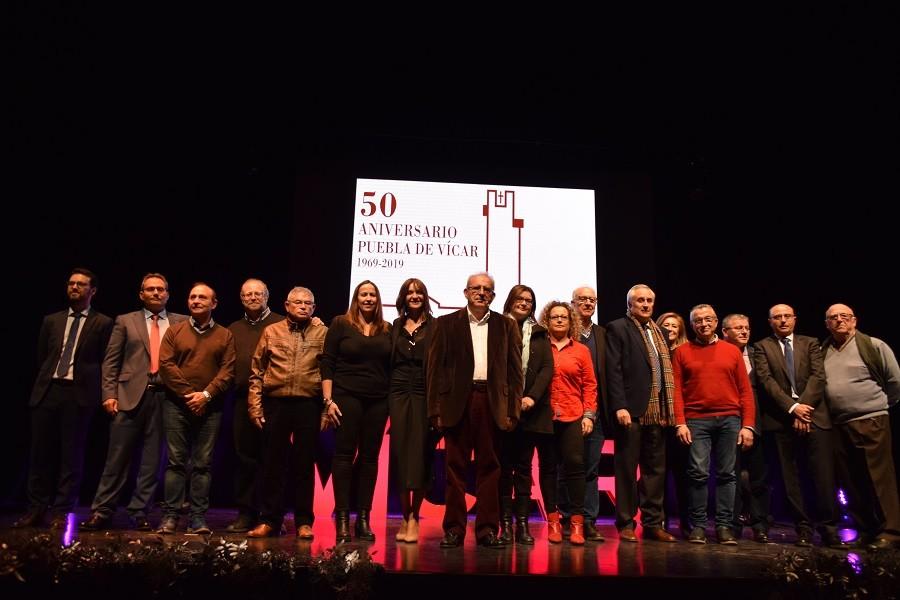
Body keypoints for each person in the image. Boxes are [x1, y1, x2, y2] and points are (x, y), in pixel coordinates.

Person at [80, 273, 187, 532]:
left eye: (160, 289)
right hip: (129, 396)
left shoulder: (182, 322)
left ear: (168, 294)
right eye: (150, 289)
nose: (156, 293)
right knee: (116, 458)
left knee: (152, 461)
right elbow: (111, 361)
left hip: (165, 397)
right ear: (141, 294)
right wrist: (109, 393)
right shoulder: (125, 321)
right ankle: (102, 510)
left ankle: (139, 511)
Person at [426, 272, 523, 549]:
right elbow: (434, 370)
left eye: (487, 289)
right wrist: (435, 410)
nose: (481, 293)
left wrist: (513, 410)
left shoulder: (506, 325)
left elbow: (515, 372)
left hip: (491, 402)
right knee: (454, 467)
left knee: (490, 467)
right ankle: (454, 529)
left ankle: (488, 530)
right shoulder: (445, 323)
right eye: (476, 288)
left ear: (493, 296)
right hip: (457, 402)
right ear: (466, 293)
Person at [14, 268, 113, 529]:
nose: (74, 287)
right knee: (40, 453)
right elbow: (43, 356)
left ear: (92, 290)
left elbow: (104, 360)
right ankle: (36, 508)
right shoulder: (52, 320)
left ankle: (62, 510)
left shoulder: (103, 323)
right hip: (48, 391)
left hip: (78, 395)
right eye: (71, 283)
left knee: (71, 455)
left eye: (81, 284)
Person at [753, 303, 843, 548]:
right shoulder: (762, 347)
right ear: (770, 322)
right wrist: (793, 409)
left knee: (822, 476)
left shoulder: (810, 342)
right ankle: (803, 528)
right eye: (777, 317)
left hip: (814, 417)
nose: (783, 320)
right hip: (781, 420)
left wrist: (803, 408)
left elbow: (818, 377)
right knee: (790, 478)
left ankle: (829, 529)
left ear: (794, 319)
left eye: (787, 316)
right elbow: (766, 381)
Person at [245, 287, 327, 539]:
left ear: (314, 308)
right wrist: (254, 406)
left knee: (304, 465)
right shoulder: (272, 331)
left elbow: (330, 372)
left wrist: (326, 409)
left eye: (308, 303)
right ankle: (269, 520)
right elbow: (257, 371)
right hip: (276, 403)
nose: (303, 306)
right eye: (298, 302)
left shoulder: (322, 332)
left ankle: (304, 522)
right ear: (287, 305)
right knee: (272, 464)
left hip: (308, 404)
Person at [157, 282, 235, 535]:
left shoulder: (225, 335)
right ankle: (171, 516)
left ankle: (197, 518)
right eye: (192, 297)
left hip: (211, 408)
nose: (196, 301)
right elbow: (166, 365)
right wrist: (190, 396)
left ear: (214, 303)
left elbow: (227, 370)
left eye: (202, 297)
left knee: (202, 463)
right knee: (176, 462)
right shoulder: (175, 331)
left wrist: (206, 396)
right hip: (177, 405)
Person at [673, 304, 755, 545]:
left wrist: (748, 425)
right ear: (692, 325)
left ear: (716, 322)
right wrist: (680, 423)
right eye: (698, 320)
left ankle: (724, 526)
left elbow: (745, 391)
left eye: (708, 319)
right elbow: (676, 391)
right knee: (698, 473)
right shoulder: (682, 352)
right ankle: (698, 526)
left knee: (727, 474)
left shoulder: (732, 351)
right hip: (696, 420)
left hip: (730, 419)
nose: (704, 324)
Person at [822, 304, 900, 550]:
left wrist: (878, 406)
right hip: (839, 423)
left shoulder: (873, 345)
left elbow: (894, 381)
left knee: (879, 477)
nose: (839, 320)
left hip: (871, 419)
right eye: (833, 318)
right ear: (827, 324)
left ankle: (891, 532)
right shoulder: (825, 350)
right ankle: (867, 528)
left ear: (854, 320)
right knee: (851, 479)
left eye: (844, 316)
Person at [320, 280, 392, 543]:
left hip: (378, 400)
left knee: (370, 459)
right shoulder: (341, 323)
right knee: (344, 455)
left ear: (378, 299)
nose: (368, 298)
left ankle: (363, 520)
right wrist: (328, 401)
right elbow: (327, 362)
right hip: (346, 397)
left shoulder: (387, 328)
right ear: (356, 298)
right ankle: (342, 519)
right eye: (364, 294)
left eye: (373, 294)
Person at [605, 284, 677, 543]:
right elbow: (613, 370)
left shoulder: (660, 332)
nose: (646, 305)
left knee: (655, 470)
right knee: (626, 469)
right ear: (630, 304)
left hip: (658, 411)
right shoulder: (618, 328)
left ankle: (653, 523)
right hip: (632, 409)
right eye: (640, 301)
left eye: (649, 300)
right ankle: (625, 523)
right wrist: (619, 405)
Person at [225, 278, 284, 533]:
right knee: (245, 459)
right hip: (241, 401)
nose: (252, 297)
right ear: (241, 298)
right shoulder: (233, 329)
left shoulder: (282, 323)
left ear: (267, 296)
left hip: (274, 401)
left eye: (258, 293)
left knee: (273, 460)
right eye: (247, 294)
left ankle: (271, 516)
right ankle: (246, 513)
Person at [498, 284, 553, 545]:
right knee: (503, 468)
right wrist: (506, 400)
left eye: (529, 300)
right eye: (519, 299)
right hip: (502, 410)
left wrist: (531, 397)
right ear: (510, 301)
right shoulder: (497, 327)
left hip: (531, 412)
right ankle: (505, 525)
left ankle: (522, 524)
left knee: (523, 470)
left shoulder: (540, 333)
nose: (524, 303)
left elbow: (546, 369)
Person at [541, 301, 598, 546]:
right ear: (547, 321)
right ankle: (553, 521)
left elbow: (590, 385)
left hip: (573, 415)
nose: (559, 320)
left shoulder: (581, 350)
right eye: (554, 317)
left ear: (570, 321)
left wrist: (588, 415)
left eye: (564, 317)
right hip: (544, 418)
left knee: (575, 466)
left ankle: (576, 523)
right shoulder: (540, 347)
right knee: (548, 468)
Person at [557, 286, 608, 542]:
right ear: (572, 303)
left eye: (592, 300)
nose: (587, 303)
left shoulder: (603, 334)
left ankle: (588, 520)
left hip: (593, 411)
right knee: (564, 466)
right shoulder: (562, 334)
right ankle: (566, 516)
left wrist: (592, 412)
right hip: (565, 411)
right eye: (582, 299)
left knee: (590, 467)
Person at [389, 278, 437, 544]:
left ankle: (414, 516)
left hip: (423, 394)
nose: (415, 296)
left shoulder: (435, 326)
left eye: (419, 292)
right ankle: (404, 515)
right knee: (399, 455)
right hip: (397, 394)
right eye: (410, 292)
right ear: (403, 297)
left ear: (425, 296)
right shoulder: (395, 326)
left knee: (420, 455)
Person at [720, 313, 770, 543]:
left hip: (758, 423)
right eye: (738, 328)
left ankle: (760, 524)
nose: (744, 332)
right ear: (725, 332)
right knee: (731, 475)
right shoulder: (719, 353)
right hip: (728, 422)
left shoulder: (757, 354)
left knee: (759, 476)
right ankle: (733, 524)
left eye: (746, 328)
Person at [656, 311, 691, 536]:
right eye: (666, 325)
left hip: (682, 421)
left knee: (683, 474)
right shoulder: (654, 351)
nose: (670, 328)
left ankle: (686, 522)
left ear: (680, 331)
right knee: (658, 474)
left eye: (674, 326)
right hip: (658, 421)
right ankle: (660, 520)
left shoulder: (687, 352)